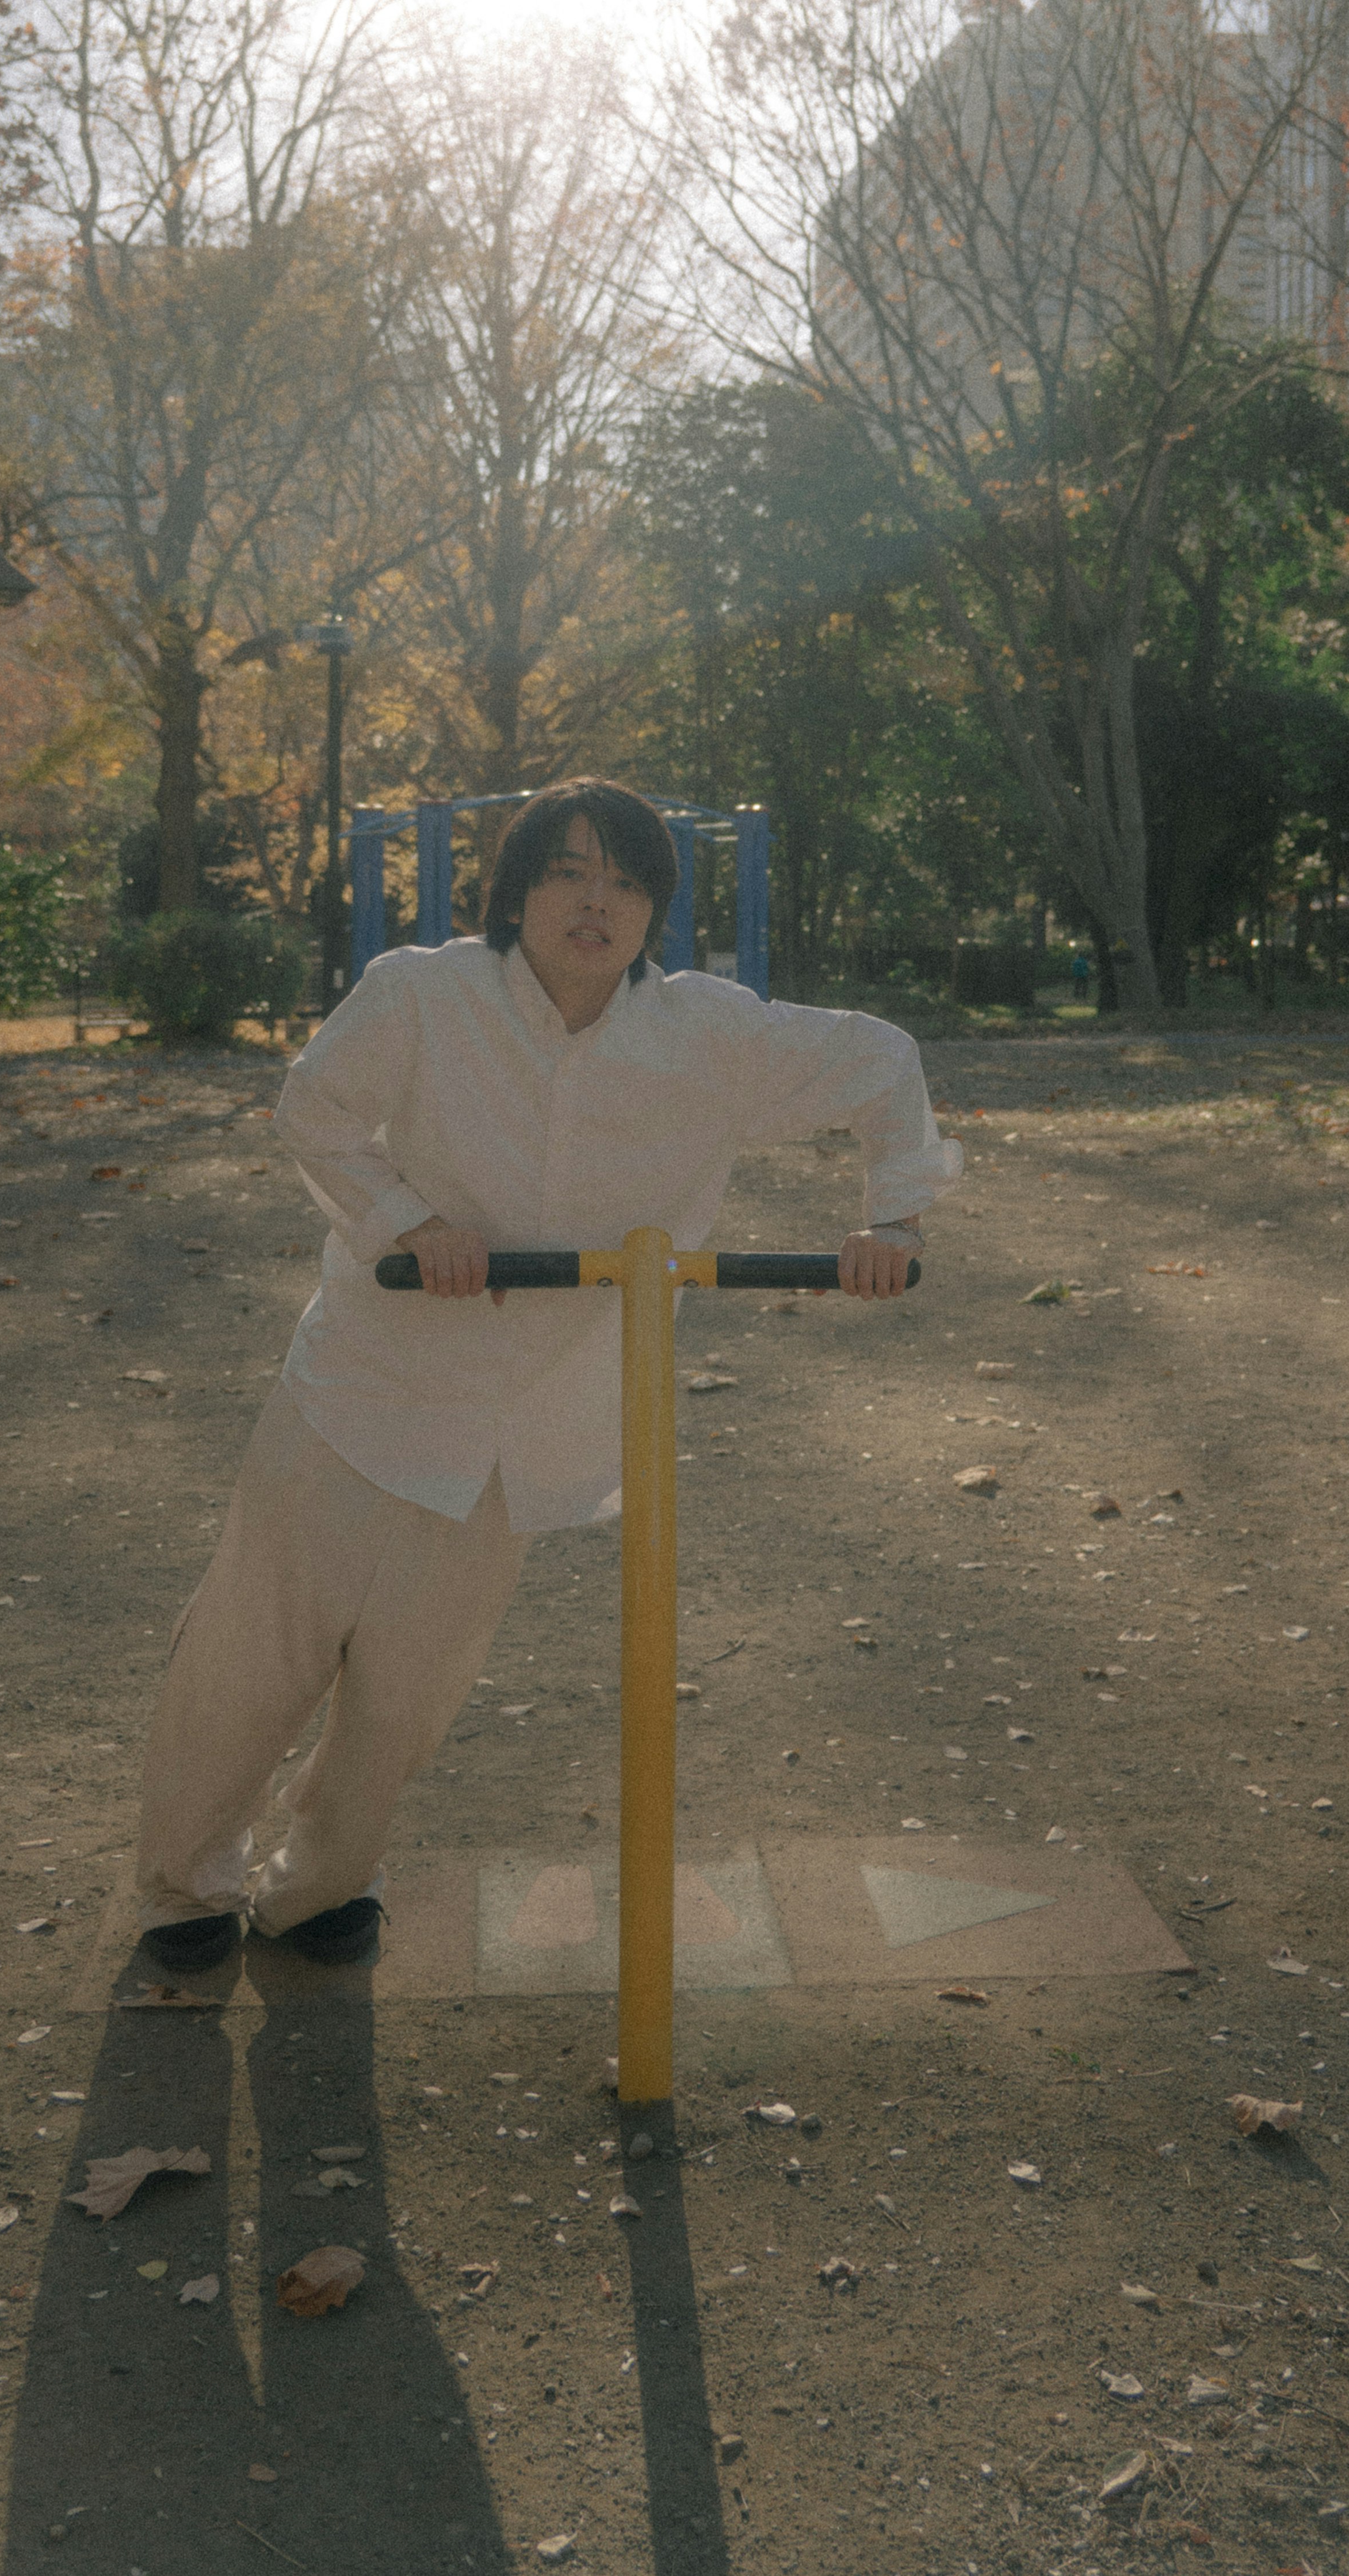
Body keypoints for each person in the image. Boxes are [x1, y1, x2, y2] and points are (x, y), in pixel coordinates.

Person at [133, 777, 960, 1972]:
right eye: (569, 872)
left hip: (523, 1429)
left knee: (409, 1693)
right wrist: (410, 1223)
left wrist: (898, 1220)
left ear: (654, 914)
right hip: (365, 1389)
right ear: (517, 891)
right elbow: (314, 1110)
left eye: (626, 881)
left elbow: (883, 1062)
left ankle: (320, 1889)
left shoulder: (707, 1034)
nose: (595, 901)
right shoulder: (421, 996)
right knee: (259, 1655)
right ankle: (182, 1889)